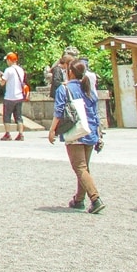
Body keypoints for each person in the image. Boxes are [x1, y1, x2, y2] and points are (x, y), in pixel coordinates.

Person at [49, 60, 104, 214]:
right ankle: (79, 199)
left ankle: (95, 198)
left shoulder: (64, 89)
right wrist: (98, 132)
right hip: (90, 130)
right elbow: (95, 111)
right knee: (84, 167)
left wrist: (52, 130)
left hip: (75, 130)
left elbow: (59, 111)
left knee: (79, 168)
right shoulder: (88, 88)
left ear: (70, 72)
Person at [0, 52, 27, 141]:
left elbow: (2, 82)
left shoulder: (8, 70)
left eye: (7, 60)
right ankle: (21, 134)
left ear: (10, 60)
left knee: (7, 116)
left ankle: (7, 134)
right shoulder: (20, 70)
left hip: (9, 97)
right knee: (18, 116)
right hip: (19, 96)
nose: (6, 62)